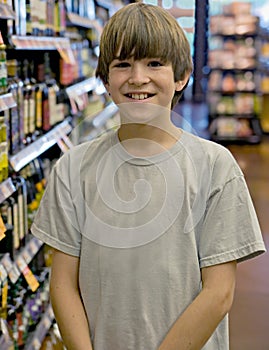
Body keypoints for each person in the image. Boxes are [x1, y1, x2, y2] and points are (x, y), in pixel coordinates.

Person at [31, 3, 266, 350]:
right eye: (122, 64)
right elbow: (64, 284)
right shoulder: (73, 169)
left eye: (154, 63)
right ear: (106, 81)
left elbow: (219, 293)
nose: (137, 77)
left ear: (181, 75)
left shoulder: (216, 167)